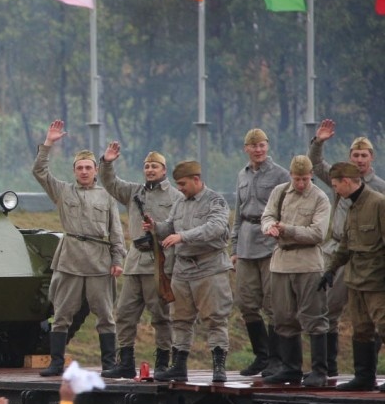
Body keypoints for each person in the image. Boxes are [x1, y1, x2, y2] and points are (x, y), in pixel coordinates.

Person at [32, 119, 125, 377]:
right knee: (62, 314)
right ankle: (55, 363)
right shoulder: (63, 192)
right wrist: (49, 143)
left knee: (106, 315)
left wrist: (118, 260)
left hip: (99, 262)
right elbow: (40, 172)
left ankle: (109, 364)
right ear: (74, 171)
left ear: (96, 170)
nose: (84, 172)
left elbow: (116, 231)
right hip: (70, 259)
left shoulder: (106, 196)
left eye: (88, 168)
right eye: (80, 168)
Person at [144, 160, 233, 383]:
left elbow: (216, 228)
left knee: (215, 319)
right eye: (178, 184)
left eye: (183, 184)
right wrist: (155, 227)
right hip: (183, 270)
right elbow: (170, 227)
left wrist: (183, 237)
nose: (180, 188)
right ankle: (179, 365)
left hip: (210, 267)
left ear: (196, 179)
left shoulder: (216, 201)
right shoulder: (180, 203)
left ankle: (219, 366)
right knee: (180, 319)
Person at [308, 119, 385, 376]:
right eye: (355, 155)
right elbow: (317, 165)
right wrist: (318, 142)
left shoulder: (378, 194)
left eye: (364, 155)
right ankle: (340, 371)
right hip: (342, 254)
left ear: (371, 158)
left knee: (379, 319)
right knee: (339, 313)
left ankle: (369, 371)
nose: (360, 159)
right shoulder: (342, 186)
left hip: (372, 263)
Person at [99, 141, 182, 378]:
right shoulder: (135, 192)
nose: (150, 170)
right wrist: (107, 162)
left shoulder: (175, 196)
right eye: (146, 166)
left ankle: (164, 363)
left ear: (164, 170)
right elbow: (110, 183)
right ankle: (125, 361)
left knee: (161, 316)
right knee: (124, 313)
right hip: (135, 261)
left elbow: (179, 226)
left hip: (159, 263)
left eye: (154, 166)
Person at [259, 155, 331, 386]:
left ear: (311, 175)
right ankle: (290, 368)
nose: (300, 183)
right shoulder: (280, 192)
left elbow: (318, 233)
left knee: (314, 317)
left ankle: (320, 370)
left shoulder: (320, 198)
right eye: (297, 179)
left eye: (305, 179)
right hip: (281, 262)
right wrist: (269, 227)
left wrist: (287, 229)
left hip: (308, 263)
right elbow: (267, 214)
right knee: (283, 316)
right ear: (291, 176)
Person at [232, 129, 291, 377]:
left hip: (269, 243)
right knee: (246, 303)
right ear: (246, 148)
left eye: (262, 145)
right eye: (253, 146)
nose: (258, 150)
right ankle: (261, 356)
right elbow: (238, 211)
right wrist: (234, 247)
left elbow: (287, 209)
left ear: (268, 146)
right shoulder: (242, 175)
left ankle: (277, 360)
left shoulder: (280, 174)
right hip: (246, 242)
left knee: (272, 303)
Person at [321, 163, 385, 391]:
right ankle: (364, 377)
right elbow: (345, 245)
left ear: (347, 181)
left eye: (336, 185)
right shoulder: (350, 206)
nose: (335, 189)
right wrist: (330, 269)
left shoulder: (378, 203)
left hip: (377, 280)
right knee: (361, 329)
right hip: (355, 278)